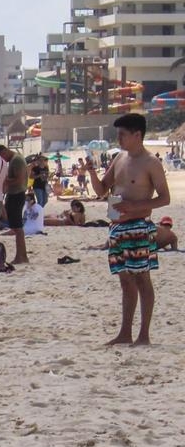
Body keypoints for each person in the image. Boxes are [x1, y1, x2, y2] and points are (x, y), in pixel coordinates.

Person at [85, 113, 170, 345]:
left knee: (142, 279)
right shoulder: (120, 158)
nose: (119, 139)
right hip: (116, 226)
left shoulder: (151, 163)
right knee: (125, 281)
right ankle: (125, 332)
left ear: (137, 135)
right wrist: (91, 172)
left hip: (138, 226)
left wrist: (136, 206)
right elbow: (103, 190)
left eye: (122, 134)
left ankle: (143, 334)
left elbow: (164, 198)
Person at [1, 144, 29, 265]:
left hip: (17, 194)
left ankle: (21, 256)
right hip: (15, 194)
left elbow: (20, 179)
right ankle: (21, 255)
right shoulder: (15, 159)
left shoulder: (16, 160)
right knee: (16, 228)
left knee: (17, 228)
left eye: (2, 156)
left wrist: (6, 181)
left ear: (5, 151)